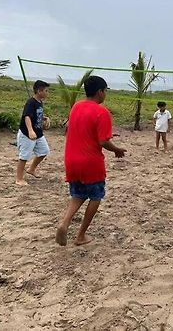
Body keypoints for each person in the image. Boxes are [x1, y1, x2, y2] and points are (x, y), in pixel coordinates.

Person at [56, 76, 126, 246]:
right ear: (100, 92)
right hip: (90, 161)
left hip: (71, 159)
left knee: (78, 194)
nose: (105, 94)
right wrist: (116, 149)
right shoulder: (102, 112)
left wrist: (107, 136)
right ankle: (81, 235)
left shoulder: (76, 107)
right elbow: (102, 142)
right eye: (105, 90)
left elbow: (81, 130)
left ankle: (64, 223)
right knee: (96, 196)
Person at [15, 80, 50, 186]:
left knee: (44, 151)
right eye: (46, 90)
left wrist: (44, 118)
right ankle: (19, 179)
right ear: (39, 91)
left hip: (38, 133)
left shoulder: (39, 102)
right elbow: (27, 116)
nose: (47, 93)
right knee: (24, 156)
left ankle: (31, 169)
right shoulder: (31, 102)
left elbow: (35, 115)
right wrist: (30, 131)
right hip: (27, 134)